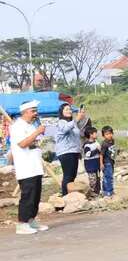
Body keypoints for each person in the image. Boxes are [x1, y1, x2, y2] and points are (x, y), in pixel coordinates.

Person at [10, 100, 48, 235]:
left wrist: (37, 135)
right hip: (26, 168)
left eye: (36, 111)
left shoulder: (31, 125)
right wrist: (37, 132)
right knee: (28, 196)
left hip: (35, 166)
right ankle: (22, 224)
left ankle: (31, 220)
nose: (35, 114)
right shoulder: (17, 126)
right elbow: (22, 143)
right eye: (33, 111)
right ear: (25, 112)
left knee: (36, 195)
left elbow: (33, 143)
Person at [55, 103, 85, 196]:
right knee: (68, 175)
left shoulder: (73, 123)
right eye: (66, 109)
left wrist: (79, 151)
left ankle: (70, 195)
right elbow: (65, 129)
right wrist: (77, 119)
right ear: (61, 112)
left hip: (74, 151)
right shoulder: (61, 122)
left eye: (70, 109)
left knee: (73, 175)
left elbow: (77, 137)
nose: (69, 111)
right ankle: (65, 195)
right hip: (65, 152)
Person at [83, 126, 101, 197]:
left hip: (97, 163)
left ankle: (98, 191)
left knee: (98, 178)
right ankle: (92, 192)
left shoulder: (96, 142)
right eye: (95, 133)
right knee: (92, 179)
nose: (96, 134)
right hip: (90, 165)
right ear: (90, 135)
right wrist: (96, 150)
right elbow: (88, 155)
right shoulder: (87, 145)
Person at [100, 125, 116, 197]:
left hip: (111, 161)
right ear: (103, 136)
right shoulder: (104, 144)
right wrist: (101, 164)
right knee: (108, 177)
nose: (109, 135)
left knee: (109, 176)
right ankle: (108, 191)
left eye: (110, 133)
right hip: (106, 162)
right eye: (107, 134)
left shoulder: (112, 141)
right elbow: (101, 155)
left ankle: (107, 191)